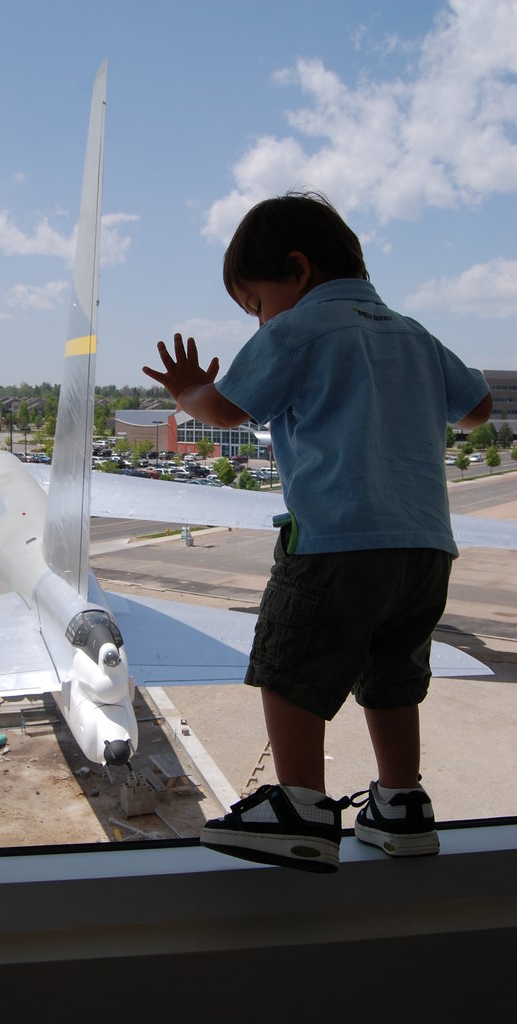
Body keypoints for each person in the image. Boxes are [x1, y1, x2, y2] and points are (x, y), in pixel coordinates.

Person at [143, 191, 492, 873]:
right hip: (424, 551)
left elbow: (225, 408)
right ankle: (399, 804)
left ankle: (298, 805)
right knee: (392, 674)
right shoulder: (414, 333)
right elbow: (476, 409)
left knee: (289, 663)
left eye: (253, 303)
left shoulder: (297, 330)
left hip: (337, 543)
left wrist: (187, 392)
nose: (257, 317)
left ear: (296, 270)